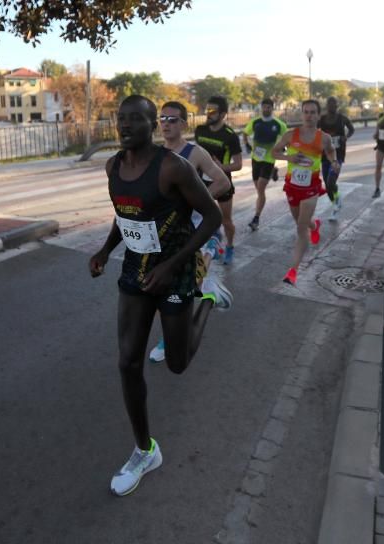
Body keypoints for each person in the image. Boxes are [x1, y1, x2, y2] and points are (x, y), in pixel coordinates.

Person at [89, 95, 232, 497]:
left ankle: (206, 301)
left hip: (177, 270)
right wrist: (105, 251)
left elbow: (213, 216)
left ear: (152, 125)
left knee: (177, 364)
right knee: (128, 362)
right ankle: (144, 450)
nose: (126, 125)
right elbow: (126, 217)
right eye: (121, 119)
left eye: (137, 119)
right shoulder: (113, 167)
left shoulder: (172, 167)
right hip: (136, 271)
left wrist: (172, 266)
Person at [148, 100, 232, 364]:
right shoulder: (156, 154)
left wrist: (197, 199)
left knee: (179, 286)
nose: (166, 124)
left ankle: (205, 289)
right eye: (162, 119)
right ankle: (207, 289)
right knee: (160, 287)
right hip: (165, 231)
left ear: (184, 124)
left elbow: (222, 181)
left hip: (195, 227)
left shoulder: (194, 153)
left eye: (172, 119)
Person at [271, 99, 339, 285]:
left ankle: (293, 271)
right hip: (292, 186)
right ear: (302, 114)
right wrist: (289, 157)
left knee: (300, 229)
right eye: (306, 112)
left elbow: (331, 152)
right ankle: (315, 225)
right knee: (301, 221)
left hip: (311, 187)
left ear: (318, 115)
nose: (309, 115)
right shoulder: (290, 135)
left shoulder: (324, 138)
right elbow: (273, 153)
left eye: (313, 112)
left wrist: (334, 162)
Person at [194, 96, 243, 264]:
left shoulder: (230, 136)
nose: (208, 114)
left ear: (223, 114)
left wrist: (219, 167)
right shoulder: (200, 130)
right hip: (201, 182)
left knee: (226, 220)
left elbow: (238, 165)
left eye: (212, 111)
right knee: (201, 217)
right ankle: (211, 242)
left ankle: (229, 246)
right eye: (207, 110)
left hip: (223, 183)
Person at [242, 98, 288, 232]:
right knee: (258, 188)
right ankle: (274, 171)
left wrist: (282, 148)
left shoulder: (278, 124)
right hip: (256, 158)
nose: (266, 109)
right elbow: (245, 133)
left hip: (269, 159)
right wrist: (246, 145)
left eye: (269, 107)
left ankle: (256, 218)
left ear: (272, 109)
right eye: (264, 107)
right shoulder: (255, 122)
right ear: (261, 108)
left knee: (261, 188)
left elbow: (287, 138)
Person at [318, 96, 355, 221]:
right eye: (329, 104)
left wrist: (346, 137)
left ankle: (336, 203)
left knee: (330, 181)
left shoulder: (342, 118)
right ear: (327, 106)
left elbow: (352, 129)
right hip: (324, 155)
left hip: (338, 155)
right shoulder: (321, 119)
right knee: (328, 186)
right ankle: (336, 201)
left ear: (337, 106)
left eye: (334, 104)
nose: (332, 106)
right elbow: (314, 131)